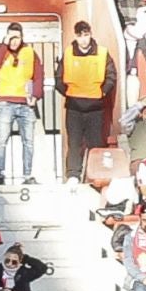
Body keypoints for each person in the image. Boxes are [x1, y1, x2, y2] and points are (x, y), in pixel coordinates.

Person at [55, 21, 115, 184]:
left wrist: (102, 92)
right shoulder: (68, 53)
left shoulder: (102, 53)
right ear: (76, 36)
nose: (83, 39)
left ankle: (96, 175)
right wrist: (68, 94)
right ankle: (73, 175)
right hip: (74, 107)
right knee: (74, 143)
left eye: (86, 35)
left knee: (96, 143)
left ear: (90, 34)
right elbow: (58, 78)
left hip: (96, 107)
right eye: (80, 36)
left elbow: (111, 76)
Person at [0, 22, 41, 187]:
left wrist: (36, 95)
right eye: (10, 37)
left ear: (22, 37)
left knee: (29, 141)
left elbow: (39, 75)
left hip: (26, 102)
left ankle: (27, 175)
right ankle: (1, 174)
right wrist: (4, 45)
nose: (14, 41)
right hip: (5, 102)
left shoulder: (30, 52)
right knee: (2, 140)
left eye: (17, 37)